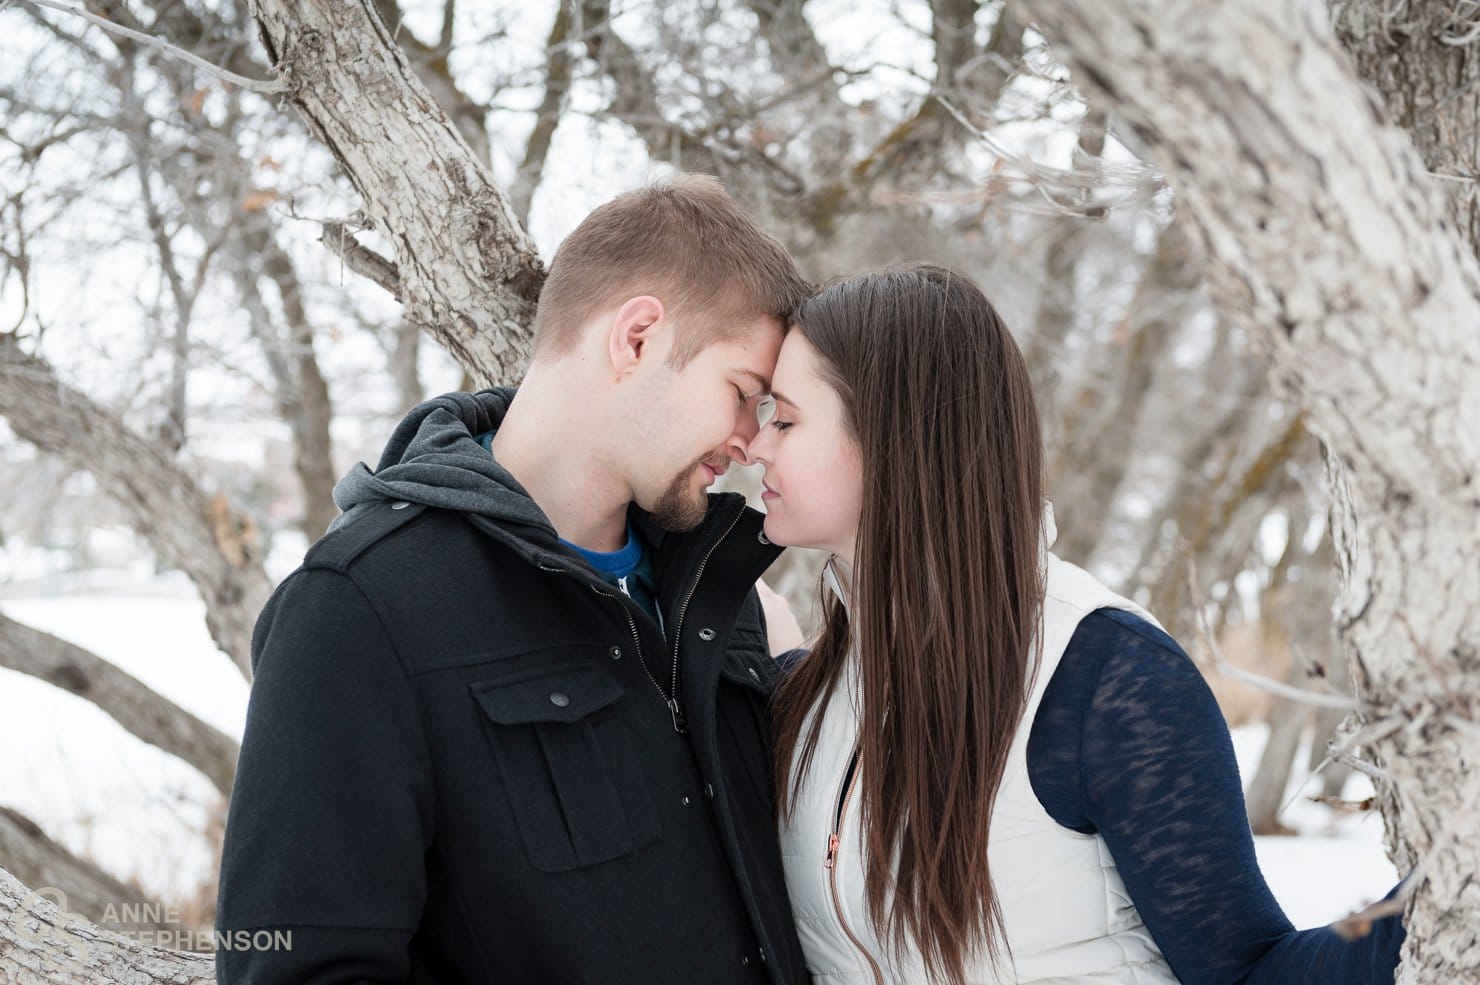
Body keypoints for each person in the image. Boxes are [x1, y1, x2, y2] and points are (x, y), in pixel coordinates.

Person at [215, 174, 815, 985]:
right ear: (637, 337)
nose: (750, 440)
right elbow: (303, 971)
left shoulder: (724, 599)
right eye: (743, 394)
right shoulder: (362, 608)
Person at [745, 264, 1407, 985]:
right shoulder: (815, 693)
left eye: (784, 418)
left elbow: (1249, 970)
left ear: (892, 434)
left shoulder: (1104, 677)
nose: (756, 446)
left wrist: (1436, 906)